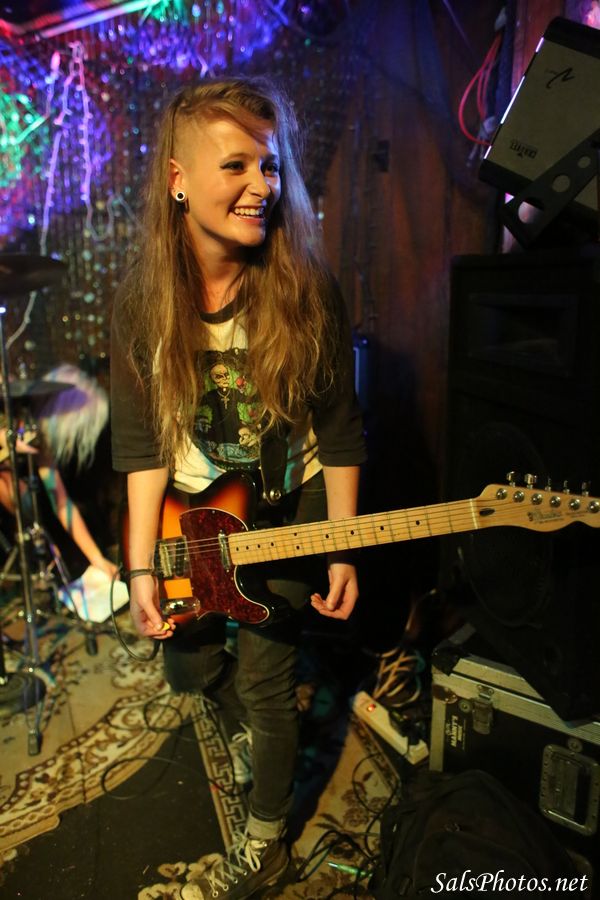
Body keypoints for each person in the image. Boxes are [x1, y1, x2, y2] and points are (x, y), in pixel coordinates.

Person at [110, 77, 366, 900]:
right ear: (178, 180)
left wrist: (343, 546)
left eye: (271, 165)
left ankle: (267, 841)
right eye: (236, 166)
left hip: (291, 506)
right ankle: (258, 713)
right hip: (193, 516)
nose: (262, 185)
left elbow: (341, 432)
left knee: (264, 681)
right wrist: (141, 570)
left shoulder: (306, 288)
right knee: (188, 673)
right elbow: (142, 449)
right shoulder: (141, 305)